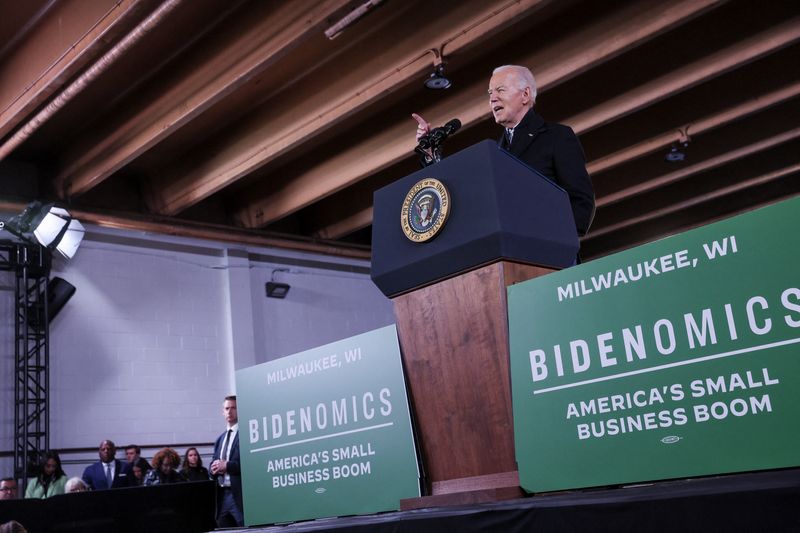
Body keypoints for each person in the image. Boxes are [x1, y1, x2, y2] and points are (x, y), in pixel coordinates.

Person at [413, 64, 595, 238]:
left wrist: (553, 240)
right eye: (490, 93)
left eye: (500, 90)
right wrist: (430, 153)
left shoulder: (556, 136)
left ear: (525, 95)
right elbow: (464, 200)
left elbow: (581, 204)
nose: (492, 98)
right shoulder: (494, 152)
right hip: (504, 256)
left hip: (549, 257)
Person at [210, 395, 243, 527]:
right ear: (222, 412)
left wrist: (227, 466)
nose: (230, 411)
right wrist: (213, 469)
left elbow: (250, 465)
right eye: (227, 408)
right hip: (222, 495)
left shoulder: (245, 434)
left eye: (233, 408)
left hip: (239, 496)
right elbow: (212, 466)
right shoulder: (220, 439)